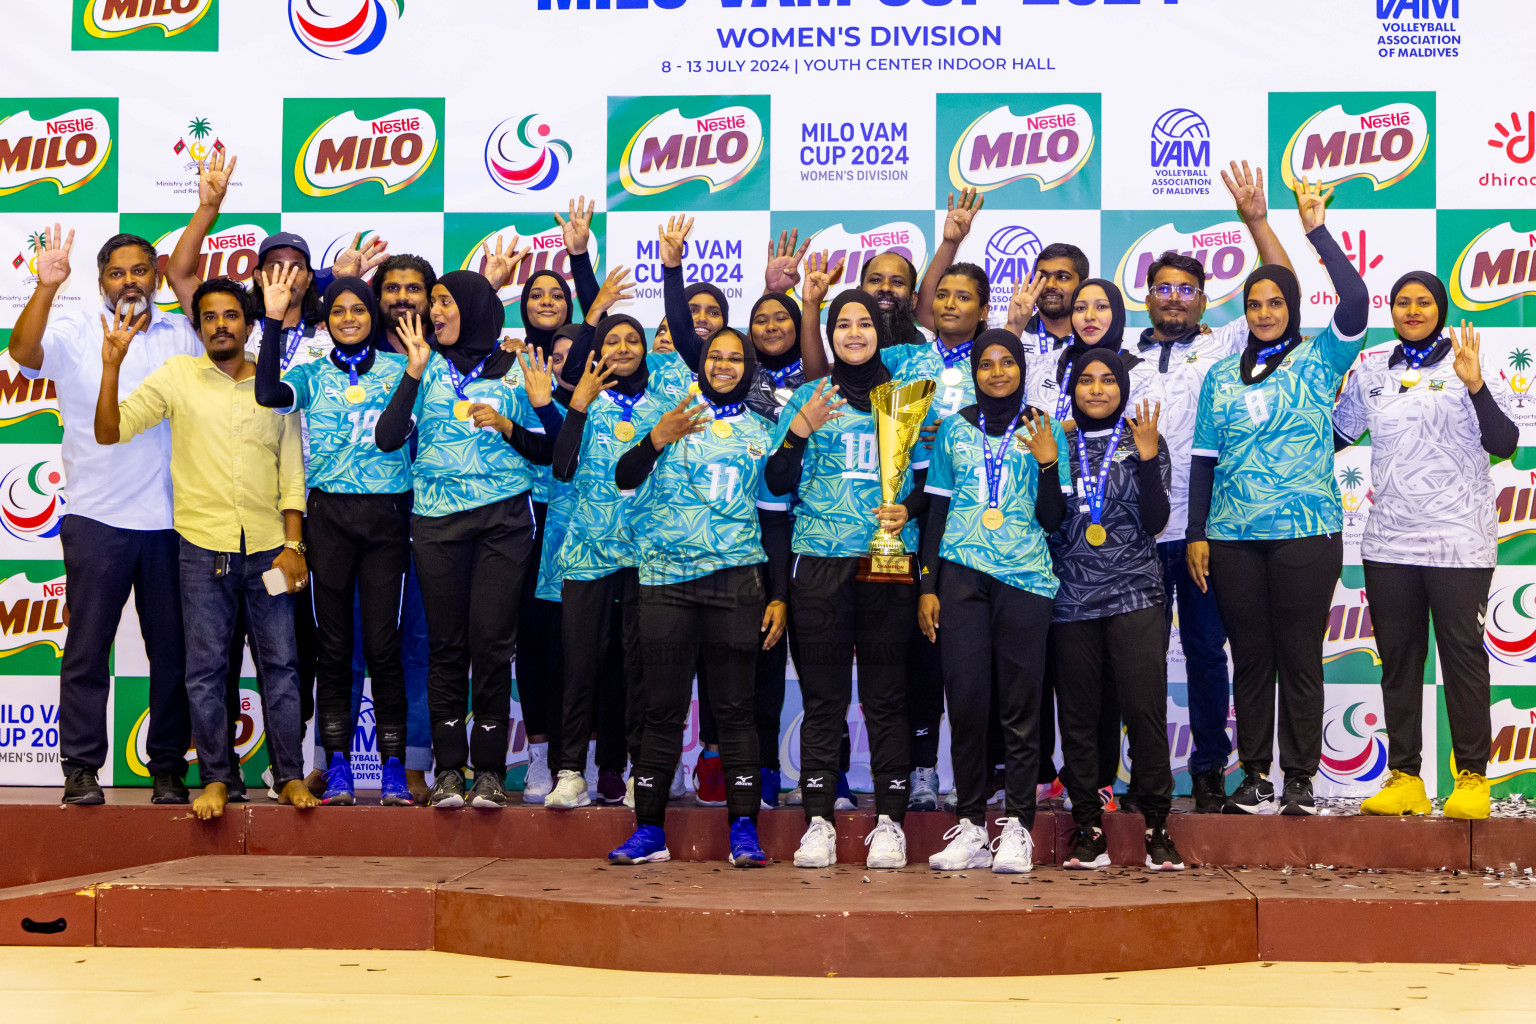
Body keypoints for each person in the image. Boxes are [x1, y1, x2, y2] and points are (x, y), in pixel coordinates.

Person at [93, 277, 316, 820]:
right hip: (201, 549)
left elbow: (291, 469)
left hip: (269, 549)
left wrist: (294, 545)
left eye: (231, 316)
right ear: (198, 326)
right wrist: (111, 365)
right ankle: (216, 778)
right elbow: (109, 431)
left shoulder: (276, 381)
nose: (221, 325)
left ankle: (287, 776)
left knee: (282, 668)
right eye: (210, 317)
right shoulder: (177, 377)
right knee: (205, 671)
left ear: (248, 323)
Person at [1186, 178, 1370, 816]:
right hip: (1233, 540)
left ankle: (1299, 778)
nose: (1264, 313)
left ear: (1291, 307)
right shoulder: (1217, 377)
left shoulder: (1319, 359)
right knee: (1252, 661)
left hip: (1306, 535)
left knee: (1299, 658)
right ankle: (1255, 775)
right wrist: (1197, 534)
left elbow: (1355, 298)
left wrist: (1315, 229)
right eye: (1254, 304)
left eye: (1275, 302)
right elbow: (1204, 461)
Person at [9, 227, 196, 805]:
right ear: (101, 282)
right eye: (117, 273)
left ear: (156, 277)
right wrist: (46, 287)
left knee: (174, 654)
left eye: (141, 270)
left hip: (173, 522)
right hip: (96, 517)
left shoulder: (181, 333)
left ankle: (167, 768)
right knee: (89, 650)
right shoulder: (73, 328)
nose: (129, 282)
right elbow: (22, 353)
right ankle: (81, 769)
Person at [1128, 161, 1293, 812]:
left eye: (1185, 289)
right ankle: (1144, 777)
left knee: (1203, 652)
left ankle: (1206, 772)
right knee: (1136, 662)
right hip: (1135, 537)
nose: (1174, 298)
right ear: (1148, 297)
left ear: (1202, 299)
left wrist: (1257, 221)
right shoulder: (1118, 354)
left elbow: (1278, 287)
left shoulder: (1228, 343)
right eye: (1163, 289)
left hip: (1204, 534)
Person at [374, 271, 560, 809]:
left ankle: (490, 773)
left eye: (445, 302)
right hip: (436, 523)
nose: (434, 312)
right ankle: (449, 771)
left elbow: (548, 452)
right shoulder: (422, 364)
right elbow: (388, 440)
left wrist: (506, 424)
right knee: (447, 646)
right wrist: (411, 372)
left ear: (475, 308)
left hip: (504, 520)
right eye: (433, 303)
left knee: (493, 645)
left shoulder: (515, 366)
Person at [608, 327, 788, 867]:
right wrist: (655, 438)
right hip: (664, 580)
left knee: (736, 710)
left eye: (737, 358)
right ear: (701, 364)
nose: (726, 366)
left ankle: (743, 830)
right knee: (660, 710)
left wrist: (779, 595)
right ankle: (648, 832)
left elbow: (776, 522)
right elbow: (623, 478)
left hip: (736, 581)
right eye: (717, 357)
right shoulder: (670, 415)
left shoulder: (764, 430)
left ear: (749, 366)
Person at [1336, 280, 1515, 821]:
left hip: (1460, 540)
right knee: (1400, 661)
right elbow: (1335, 437)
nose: (1412, 311)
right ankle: (1406, 777)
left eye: (1424, 303)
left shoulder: (1466, 362)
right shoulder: (1371, 371)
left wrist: (1477, 385)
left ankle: (1472, 778)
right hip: (1388, 541)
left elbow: (1505, 444)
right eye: (1402, 303)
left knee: (1462, 659)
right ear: (1392, 311)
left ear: (1440, 311)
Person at [766, 289, 919, 869]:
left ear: (881, 333)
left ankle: (889, 824)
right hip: (819, 565)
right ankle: (820, 823)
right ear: (829, 335)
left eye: (864, 324)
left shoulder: (904, 400)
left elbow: (930, 491)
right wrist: (800, 430)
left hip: (885, 563)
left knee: (885, 698)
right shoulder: (808, 396)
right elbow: (777, 485)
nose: (854, 333)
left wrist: (911, 513)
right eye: (843, 325)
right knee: (824, 700)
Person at [253, 270, 414, 806]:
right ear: (327, 318)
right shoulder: (311, 372)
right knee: (335, 648)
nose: (349, 319)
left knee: (384, 646)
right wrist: (272, 320)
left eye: (359, 310)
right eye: (339, 310)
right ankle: (339, 765)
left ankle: (394, 766)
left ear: (374, 317)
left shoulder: (403, 368)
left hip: (389, 517)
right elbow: (269, 391)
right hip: (329, 520)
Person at [918, 329, 1069, 873]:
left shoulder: (1043, 429)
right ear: (976, 371)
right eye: (987, 363)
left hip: (1025, 579)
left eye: (1008, 362)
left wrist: (1049, 463)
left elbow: (1055, 521)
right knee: (967, 704)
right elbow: (935, 514)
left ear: (1021, 368)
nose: (998, 372)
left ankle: (1019, 829)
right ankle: (970, 826)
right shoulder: (954, 429)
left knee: (1020, 709)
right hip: (961, 579)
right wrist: (927, 586)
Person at [544, 311, 692, 810]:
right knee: (579, 662)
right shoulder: (586, 398)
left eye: (634, 339)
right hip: (589, 549)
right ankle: (569, 772)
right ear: (599, 351)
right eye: (614, 341)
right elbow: (561, 469)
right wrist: (578, 407)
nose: (624, 347)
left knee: (641, 668)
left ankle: (638, 772)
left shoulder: (668, 396)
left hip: (649, 549)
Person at [1049, 348, 1182, 871]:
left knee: (1144, 710)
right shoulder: (1054, 441)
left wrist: (1148, 459)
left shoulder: (1143, 438)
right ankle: (1086, 825)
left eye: (1108, 380)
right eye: (1086, 380)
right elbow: (1046, 519)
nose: (1098, 389)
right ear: (1072, 387)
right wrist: (1043, 463)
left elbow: (1154, 522)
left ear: (1123, 387)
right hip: (1069, 597)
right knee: (1079, 716)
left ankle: (1156, 824)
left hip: (1135, 593)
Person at [884, 246, 994, 811]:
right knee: (922, 654)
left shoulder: (997, 361)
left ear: (983, 310)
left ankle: (988, 774)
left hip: (977, 520)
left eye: (964, 297)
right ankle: (922, 770)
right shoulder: (904, 358)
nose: (950, 303)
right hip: (912, 517)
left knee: (977, 658)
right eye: (943, 294)